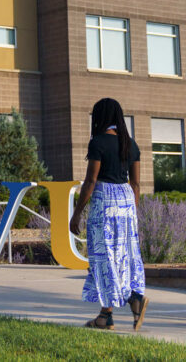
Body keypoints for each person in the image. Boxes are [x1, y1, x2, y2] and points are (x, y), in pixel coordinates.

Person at [69, 98, 149, 331]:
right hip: (126, 202)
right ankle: (108, 315)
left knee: (103, 257)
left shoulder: (98, 143)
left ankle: (131, 301)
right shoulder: (130, 144)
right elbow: (136, 183)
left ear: (99, 117)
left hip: (105, 200)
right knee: (123, 255)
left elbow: (91, 180)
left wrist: (76, 213)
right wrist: (133, 214)